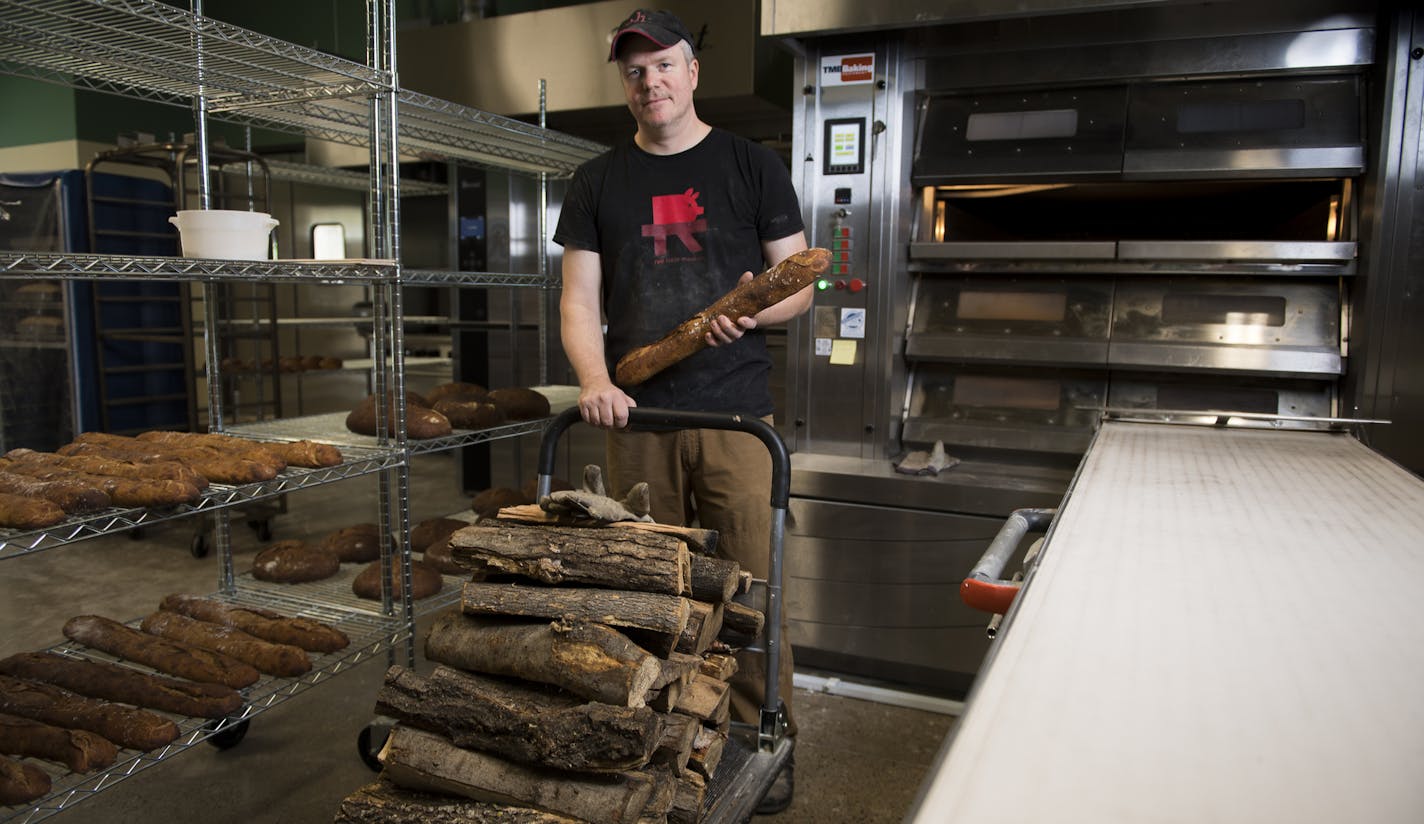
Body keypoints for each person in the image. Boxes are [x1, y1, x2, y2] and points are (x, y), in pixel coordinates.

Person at [552, 8, 810, 814]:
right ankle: (658, 745)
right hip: (638, 423)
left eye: (663, 65)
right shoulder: (596, 180)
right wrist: (597, 381)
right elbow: (578, 298)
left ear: (693, 72)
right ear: (623, 83)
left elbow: (799, 285)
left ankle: (767, 741)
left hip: (738, 421)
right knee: (648, 597)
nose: (649, 81)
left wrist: (754, 314)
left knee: (749, 593)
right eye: (634, 71)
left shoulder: (750, 165)